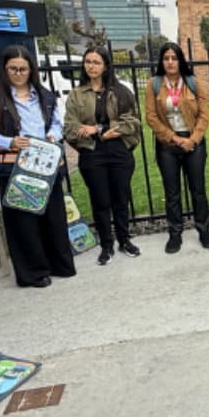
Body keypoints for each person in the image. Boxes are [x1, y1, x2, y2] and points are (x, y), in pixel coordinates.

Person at [0, 44, 76, 287]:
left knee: (53, 217)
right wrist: (9, 141)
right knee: (23, 222)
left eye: (23, 69)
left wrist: (53, 135)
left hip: (45, 164)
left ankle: (59, 264)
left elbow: (57, 124)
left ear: (31, 69)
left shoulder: (45, 96)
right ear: (4, 69)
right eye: (13, 69)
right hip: (14, 166)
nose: (19, 74)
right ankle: (33, 272)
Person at [63, 46, 143, 266]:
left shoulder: (121, 92)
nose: (91, 66)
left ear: (106, 66)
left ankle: (124, 240)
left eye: (96, 62)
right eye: (88, 62)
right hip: (92, 152)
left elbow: (133, 122)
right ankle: (106, 245)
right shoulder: (77, 95)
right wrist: (91, 134)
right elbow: (70, 128)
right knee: (100, 201)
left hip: (118, 150)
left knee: (121, 199)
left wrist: (98, 129)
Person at [145, 42, 209, 253]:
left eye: (174, 58)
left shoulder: (193, 83)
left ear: (180, 60)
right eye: (166, 58)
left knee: (198, 190)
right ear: (161, 61)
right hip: (167, 144)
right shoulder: (154, 84)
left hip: (193, 143)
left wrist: (192, 140)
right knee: (172, 192)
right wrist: (173, 138)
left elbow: (204, 115)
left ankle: (203, 230)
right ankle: (175, 233)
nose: (170, 62)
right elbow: (151, 116)